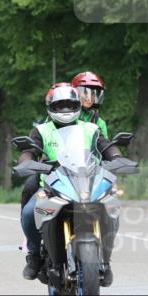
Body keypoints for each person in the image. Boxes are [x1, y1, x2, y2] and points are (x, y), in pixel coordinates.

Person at [19, 83, 123, 285]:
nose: (65, 110)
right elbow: (29, 151)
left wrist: (117, 157)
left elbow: (107, 147)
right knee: (30, 212)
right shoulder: (41, 130)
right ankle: (34, 254)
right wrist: (26, 161)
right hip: (52, 186)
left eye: (69, 105)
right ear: (50, 106)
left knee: (112, 206)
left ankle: (106, 260)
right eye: (59, 106)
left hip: (86, 182)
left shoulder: (91, 129)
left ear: (77, 106)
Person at [71, 71, 109, 137]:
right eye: (85, 92)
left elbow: (105, 145)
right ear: (75, 92)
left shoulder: (99, 122)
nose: (89, 98)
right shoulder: (64, 114)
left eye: (93, 94)